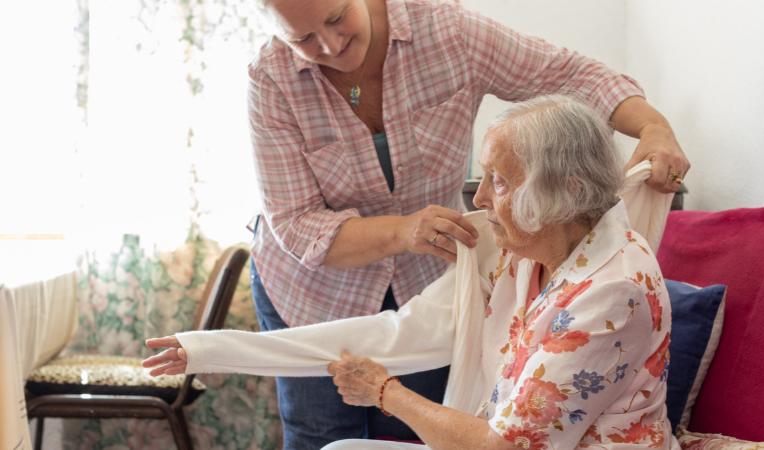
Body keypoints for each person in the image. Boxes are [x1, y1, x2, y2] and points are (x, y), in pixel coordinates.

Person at [245, 0, 688, 446]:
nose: (331, 44)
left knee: (408, 431)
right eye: (302, 40)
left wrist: (652, 126)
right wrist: (401, 231)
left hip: (425, 272)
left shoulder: (447, 32)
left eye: (338, 18)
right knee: (318, 436)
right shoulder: (270, 78)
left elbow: (571, 76)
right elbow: (299, 223)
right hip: (313, 288)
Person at [145, 95, 676, 449]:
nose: (480, 197)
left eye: (500, 181)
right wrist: (207, 348)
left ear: (570, 192)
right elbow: (389, 335)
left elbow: (506, 447)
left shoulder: (613, 291)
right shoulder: (520, 254)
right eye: (483, 176)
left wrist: (386, 394)